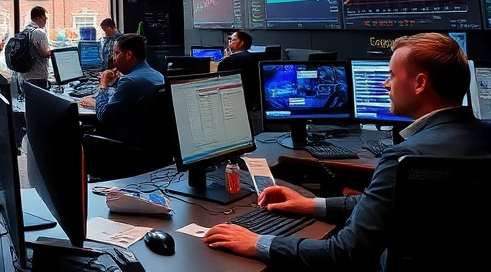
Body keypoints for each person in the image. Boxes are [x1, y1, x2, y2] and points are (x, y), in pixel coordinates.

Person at [203, 33, 491, 269]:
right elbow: (385, 205)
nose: (385, 83)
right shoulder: (483, 138)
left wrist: (258, 243)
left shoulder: (405, 158)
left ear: (420, 83)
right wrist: (311, 204)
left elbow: (343, 253)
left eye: (392, 75)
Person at [79, 33, 164, 150]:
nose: (114, 58)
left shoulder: (130, 81)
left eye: (117, 53)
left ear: (129, 55)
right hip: (152, 144)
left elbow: (104, 116)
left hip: (127, 146)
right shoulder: (158, 76)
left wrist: (103, 86)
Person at [19, 6, 52, 90]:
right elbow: (45, 53)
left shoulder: (26, 30)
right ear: (39, 18)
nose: (46, 19)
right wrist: (56, 52)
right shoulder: (39, 32)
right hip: (37, 76)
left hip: (25, 75)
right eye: (44, 17)